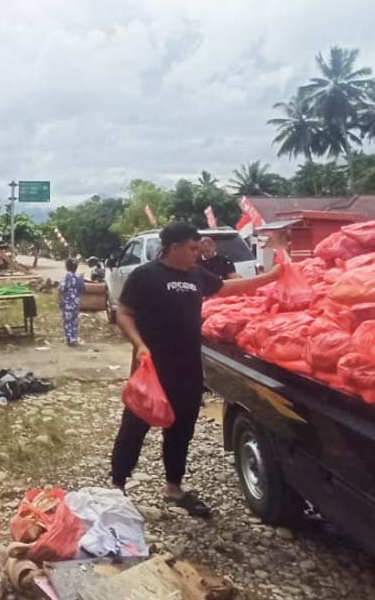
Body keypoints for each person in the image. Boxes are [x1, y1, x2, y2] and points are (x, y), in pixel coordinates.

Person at [109, 222, 281, 517]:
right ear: (173, 247)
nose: (197, 252)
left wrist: (270, 278)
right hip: (151, 368)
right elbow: (123, 313)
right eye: (192, 247)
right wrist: (138, 344)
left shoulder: (196, 274)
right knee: (134, 428)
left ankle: (174, 488)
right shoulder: (145, 275)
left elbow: (226, 288)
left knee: (181, 429)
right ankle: (117, 485)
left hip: (187, 368)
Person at [58, 258, 87, 346]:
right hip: (76, 302)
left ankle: (69, 339)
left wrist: (60, 300)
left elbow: (61, 289)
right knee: (74, 320)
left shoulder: (66, 276)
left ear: (67, 267)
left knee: (67, 321)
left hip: (67, 302)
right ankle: (74, 337)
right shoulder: (79, 277)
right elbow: (83, 290)